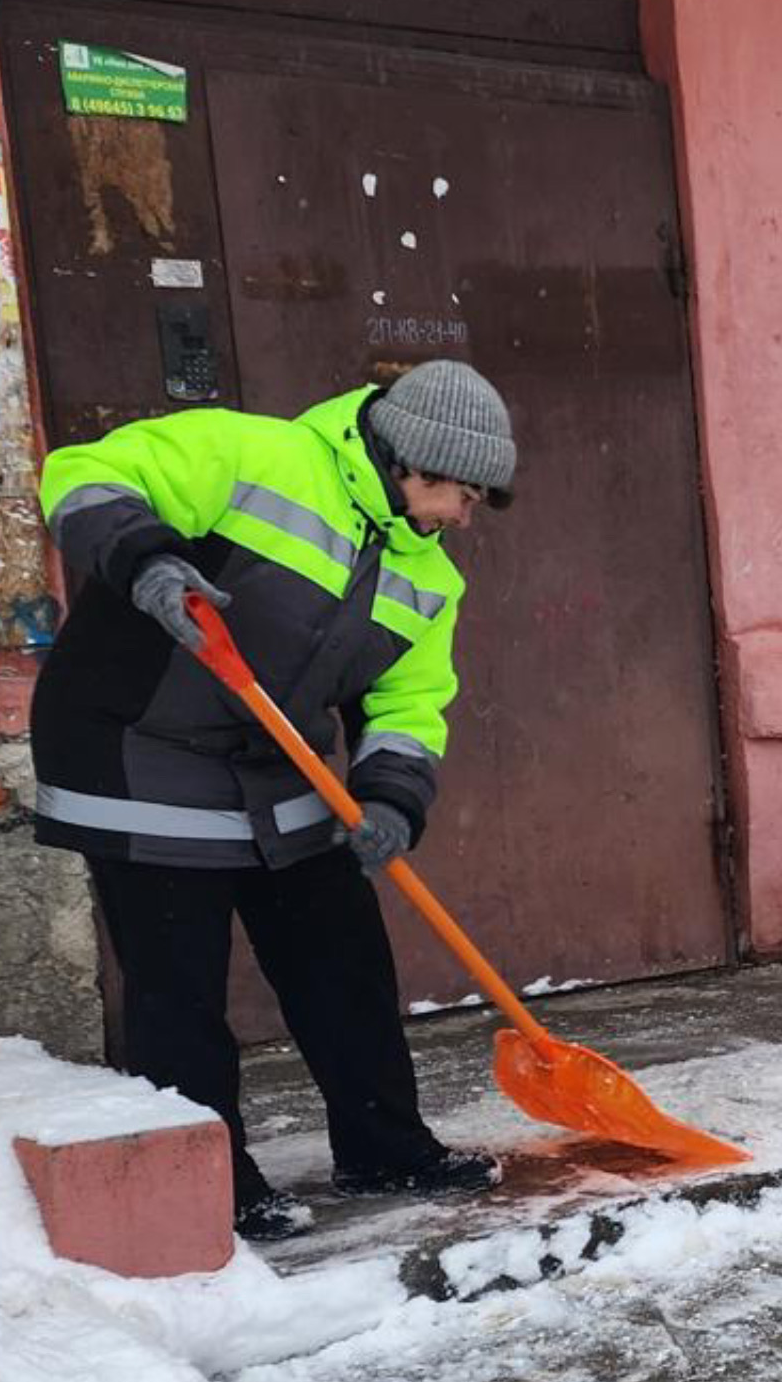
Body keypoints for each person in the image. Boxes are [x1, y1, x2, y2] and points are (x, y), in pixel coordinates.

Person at [30, 361, 517, 1242]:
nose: (462, 517)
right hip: (137, 746)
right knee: (179, 984)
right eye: (461, 495)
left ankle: (384, 1149)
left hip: (273, 759)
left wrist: (391, 799)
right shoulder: (255, 454)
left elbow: (409, 704)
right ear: (413, 465)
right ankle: (215, 1182)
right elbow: (84, 471)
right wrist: (144, 558)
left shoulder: (429, 577)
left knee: (343, 956)